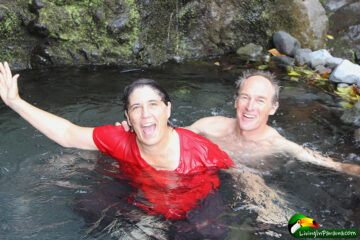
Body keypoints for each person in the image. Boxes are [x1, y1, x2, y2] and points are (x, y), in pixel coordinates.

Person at [0, 62, 234, 220]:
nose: (145, 114)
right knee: (88, 206)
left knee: (209, 232)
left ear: (167, 109)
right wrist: (15, 102)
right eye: (136, 107)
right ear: (128, 118)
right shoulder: (117, 138)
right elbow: (67, 133)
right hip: (140, 199)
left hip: (192, 209)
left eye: (153, 104)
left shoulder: (203, 151)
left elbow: (238, 175)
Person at [186, 71, 360, 176]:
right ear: (235, 101)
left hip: (247, 188)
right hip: (202, 178)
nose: (250, 107)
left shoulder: (277, 144)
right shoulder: (208, 126)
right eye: (245, 97)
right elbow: (169, 138)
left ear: (273, 108)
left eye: (260, 100)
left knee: (251, 181)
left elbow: (335, 165)